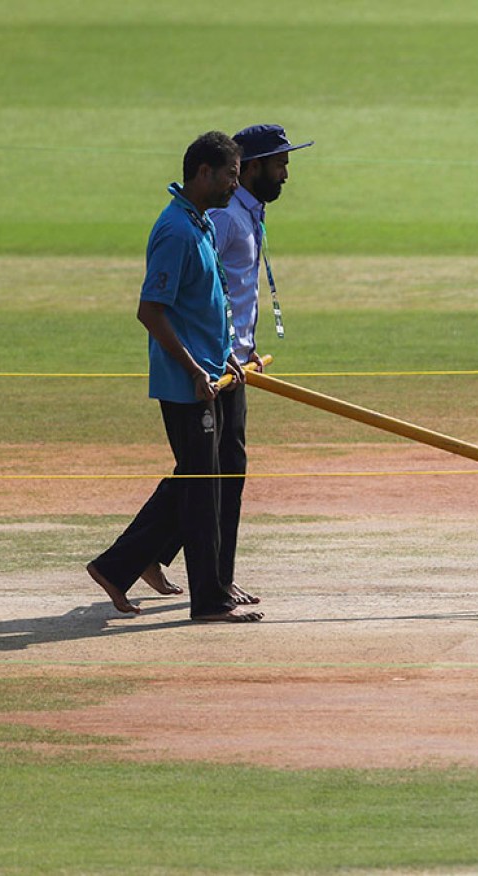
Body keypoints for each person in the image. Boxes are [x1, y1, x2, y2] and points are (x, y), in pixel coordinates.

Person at [86, 131, 261, 623]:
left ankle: (116, 567)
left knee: (200, 482)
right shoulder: (176, 231)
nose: (234, 184)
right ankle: (208, 602)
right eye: (229, 174)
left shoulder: (200, 222)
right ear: (203, 172)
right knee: (202, 492)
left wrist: (224, 356)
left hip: (210, 375)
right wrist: (194, 369)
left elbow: (207, 307)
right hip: (186, 385)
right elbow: (150, 311)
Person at [139, 124, 314, 606]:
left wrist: (244, 344)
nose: (284, 175)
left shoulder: (245, 213)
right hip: (209, 368)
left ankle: (166, 562)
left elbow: (228, 292)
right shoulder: (223, 221)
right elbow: (194, 294)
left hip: (229, 361)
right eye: (278, 165)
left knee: (220, 469)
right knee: (206, 474)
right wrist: (208, 361)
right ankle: (156, 565)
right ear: (250, 167)